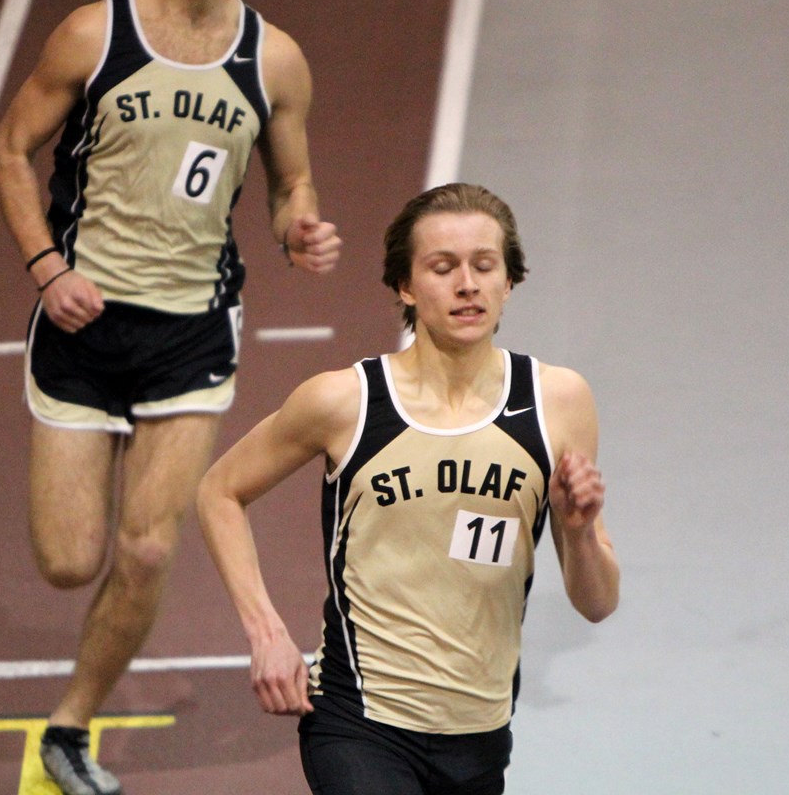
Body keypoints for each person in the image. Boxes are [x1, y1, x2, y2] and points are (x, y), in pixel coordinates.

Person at [0, 0, 341, 793]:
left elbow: (290, 175)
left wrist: (298, 225)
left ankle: (70, 726)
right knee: (69, 563)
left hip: (192, 330)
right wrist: (45, 266)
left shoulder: (276, 59)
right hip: (82, 323)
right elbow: (13, 149)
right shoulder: (92, 37)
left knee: (148, 546)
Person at [198, 182, 619, 794]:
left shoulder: (557, 403)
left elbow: (597, 602)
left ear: (510, 282)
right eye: (442, 267)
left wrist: (578, 533)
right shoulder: (347, 403)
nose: (467, 284)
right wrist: (266, 632)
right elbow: (220, 491)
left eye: (484, 265)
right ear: (405, 285)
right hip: (359, 723)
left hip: (479, 731)